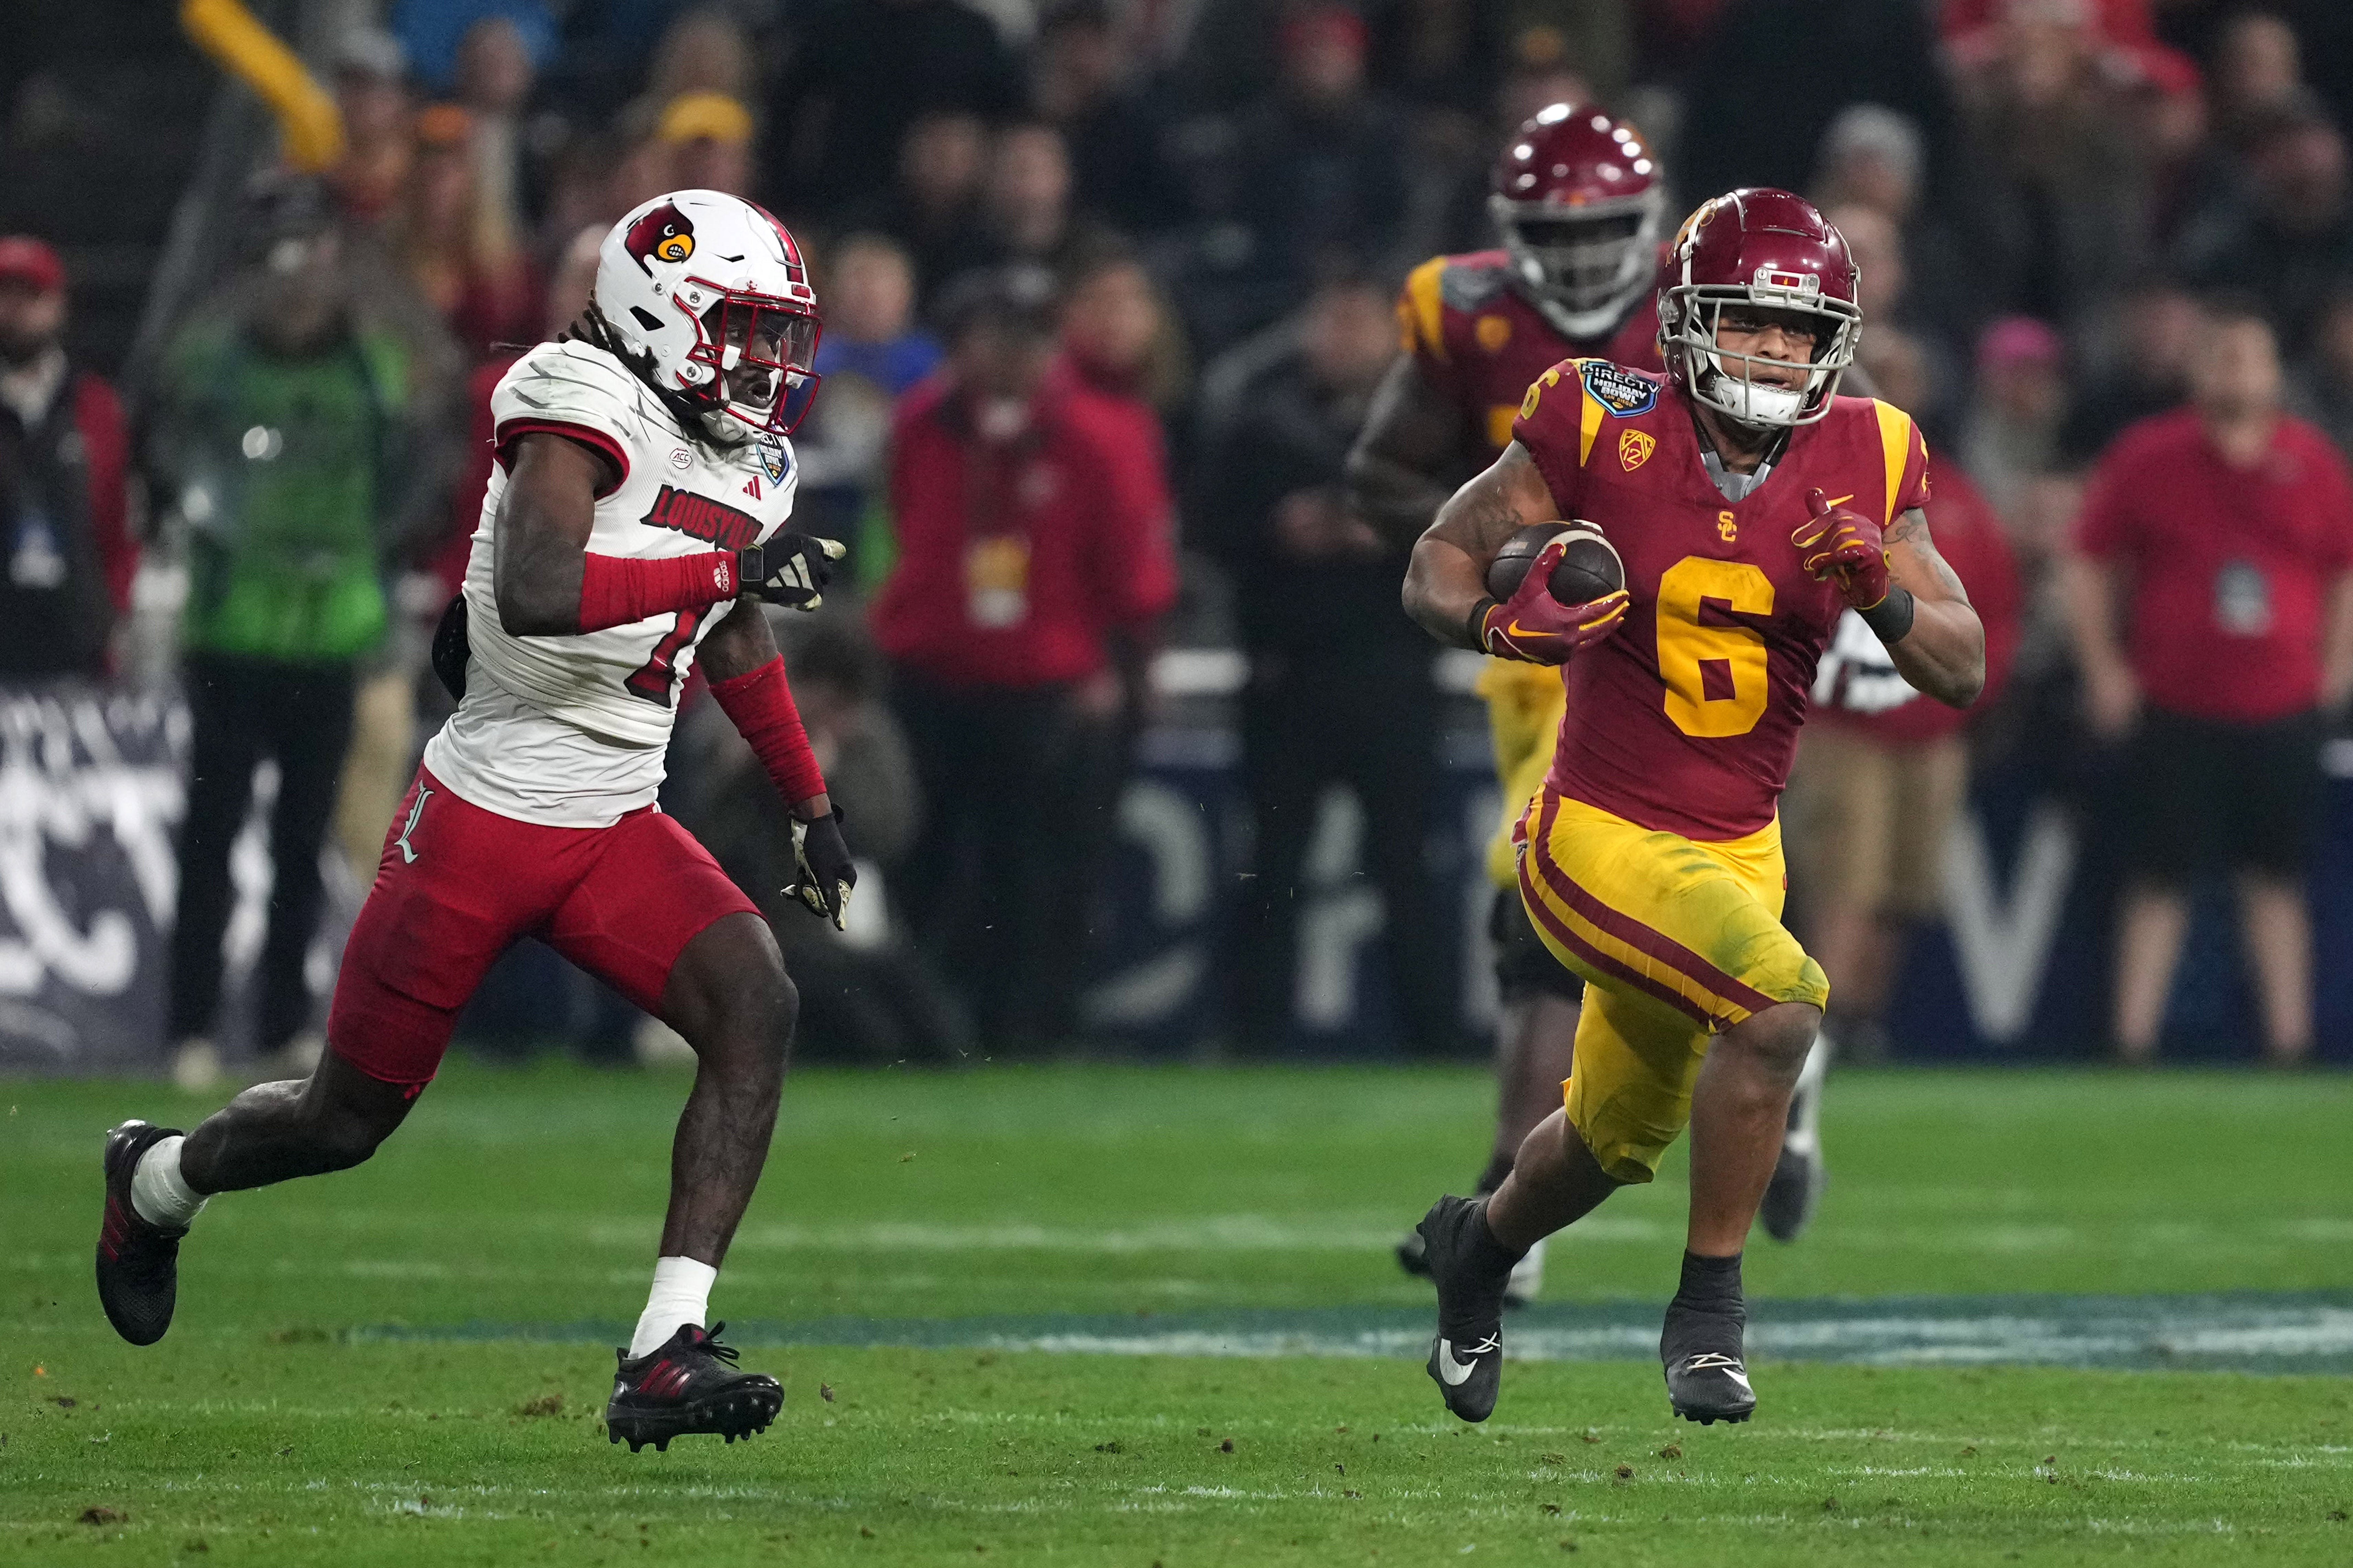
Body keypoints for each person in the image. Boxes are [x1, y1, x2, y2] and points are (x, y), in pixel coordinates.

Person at [98, 191, 858, 1457]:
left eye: (779, 333)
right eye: (742, 327)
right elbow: (540, 586)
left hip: (616, 822)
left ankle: (665, 1346)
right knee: (343, 1120)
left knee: (755, 1003)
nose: (769, 359)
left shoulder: (741, 455)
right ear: (657, 311)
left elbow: (731, 631)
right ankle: (159, 1178)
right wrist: (726, 572)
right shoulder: (572, 391)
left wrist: (808, 801)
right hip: (484, 818)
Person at [1398, 189, 1986, 1426]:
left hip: (1738, 845)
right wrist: (1498, 624)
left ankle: (1476, 1247)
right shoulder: (1596, 418)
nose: (1772, 348)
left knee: (1608, 1140)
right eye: (1746, 322)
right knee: (1780, 1007)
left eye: (1796, 328)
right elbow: (1435, 562)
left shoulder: (1872, 448)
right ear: (1682, 323)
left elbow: (1960, 662)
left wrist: (1879, 591)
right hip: (1594, 826)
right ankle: (1708, 1313)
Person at [1347, 104, 1667, 1301]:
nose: (1579, 259)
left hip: (1684, 644)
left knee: (1552, 906)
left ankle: (1505, 1211)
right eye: (1554, 233)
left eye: (1601, 231)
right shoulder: (1467, 314)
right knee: (1553, 914)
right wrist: (1503, 561)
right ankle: (1506, 1204)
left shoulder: (1700, 307)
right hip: (1540, 654)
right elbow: (1380, 476)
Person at [148, 187, 439, 1085]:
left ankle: (282, 1023)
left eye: (311, 251)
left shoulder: (374, 369)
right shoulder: (214, 365)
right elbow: (168, 458)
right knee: (212, 836)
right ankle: (191, 1026)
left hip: (330, 632)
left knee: (302, 842)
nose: (299, 275)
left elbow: (418, 470)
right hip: (232, 632)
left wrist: (366, 550)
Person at [869, 265, 1177, 1051]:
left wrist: (1122, 662)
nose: (1014, 355)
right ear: (966, 343)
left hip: (1047, 685)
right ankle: (922, 1030)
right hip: (934, 672)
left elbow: (1130, 567)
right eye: (998, 336)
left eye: (1031, 338)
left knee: (1038, 871)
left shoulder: (1098, 433)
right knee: (924, 861)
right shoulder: (921, 424)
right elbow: (899, 527)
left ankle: (1030, 1029)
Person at [2062, 300, 2353, 1065]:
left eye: (2248, 359)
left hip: (2282, 700)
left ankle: (2289, 1042)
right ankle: (2132, 1042)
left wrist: (2336, 670)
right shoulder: (2148, 456)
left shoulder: (2312, 461)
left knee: (2278, 878)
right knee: (2158, 877)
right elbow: (2088, 560)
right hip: (2175, 700)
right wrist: (2104, 668)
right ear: (2197, 372)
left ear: (2274, 373)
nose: (2235, 374)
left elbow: (2343, 571)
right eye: (2221, 358)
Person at [1196, 271, 1459, 1062]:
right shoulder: (1259, 426)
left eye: (1358, 323)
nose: (1342, 340)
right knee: (1272, 860)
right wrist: (1277, 530)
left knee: (1405, 863)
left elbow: (1483, 531)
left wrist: (1392, 536)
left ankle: (1434, 1035)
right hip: (1289, 672)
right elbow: (1208, 530)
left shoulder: (1433, 429)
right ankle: (1252, 1035)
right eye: (1330, 322)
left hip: (1392, 670)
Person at [0, 235, 136, 677]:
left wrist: (113, 617)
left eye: (31, 295)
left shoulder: (94, 405)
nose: (15, 310)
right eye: (4, 294)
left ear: (58, 305)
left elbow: (117, 522)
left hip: (78, 645)